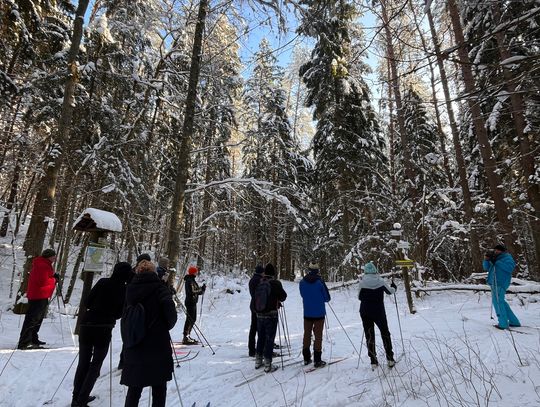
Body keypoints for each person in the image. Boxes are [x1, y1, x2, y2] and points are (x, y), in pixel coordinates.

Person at [71, 262, 132, 407]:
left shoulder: (103, 282)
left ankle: (76, 397)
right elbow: (119, 314)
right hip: (103, 329)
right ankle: (81, 399)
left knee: (83, 362)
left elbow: (88, 302)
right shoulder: (124, 289)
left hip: (87, 325)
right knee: (95, 365)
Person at [120, 259, 177, 407]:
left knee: (134, 389)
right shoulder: (161, 289)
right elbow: (171, 317)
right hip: (157, 346)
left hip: (135, 344)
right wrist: (162, 326)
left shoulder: (129, 289)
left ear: (137, 271)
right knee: (159, 389)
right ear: (154, 272)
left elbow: (124, 316)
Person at [17, 248, 58, 350]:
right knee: (32, 319)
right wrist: (54, 279)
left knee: (37, 319)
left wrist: (53, 276)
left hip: (40, 295)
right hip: (38, 296)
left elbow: (44, 278)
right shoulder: (42, 265)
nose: (55, 258)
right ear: (49, 257)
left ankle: (33, 338)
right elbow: (42, 281)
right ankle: (25, 342)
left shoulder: (44, 264)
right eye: (53, 256)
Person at [358, 261, 396, 369]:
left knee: (369, 335)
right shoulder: (381, 281)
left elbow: (359, 297)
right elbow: (390, 291)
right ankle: (390, 358)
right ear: (375, 271)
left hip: (365, 311)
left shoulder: (362, 283)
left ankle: (373, 361)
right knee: (385, 333)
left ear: (365, 272)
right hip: (379, 311)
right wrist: (394, 287)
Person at [255, 263, 287, 373]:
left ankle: (258, 360)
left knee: (261, 337)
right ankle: (268, 364)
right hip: (271, 315)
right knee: (269, 338)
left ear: (265, 273)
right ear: (273, 273)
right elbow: (283, 297)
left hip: (259, 315)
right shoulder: (276, 283)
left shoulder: (260, 282)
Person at [299, 263, 331, 368]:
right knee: (318, 336)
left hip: (307, 312)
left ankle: (306, 358)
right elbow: (327, 298)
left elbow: (302, 295)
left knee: (307, 334)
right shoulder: (319, 282)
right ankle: (317, 360)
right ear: (317, 270)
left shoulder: (302, 282)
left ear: (309, 270)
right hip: (319, 313)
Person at [483, 244, 520, 329]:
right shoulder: (495, 258)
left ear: (502, 251)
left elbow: (510, 268)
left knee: (498, 302)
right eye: (495, 250)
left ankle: (503, 324)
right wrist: (486, 259)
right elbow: (486, 268)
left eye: (498, 250)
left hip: (501, 283)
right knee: (501, 302)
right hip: (494, 283)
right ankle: (514, 321)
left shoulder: (507, 257)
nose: (496, 251)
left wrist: (497, 262)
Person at [182, 265, 206, 344]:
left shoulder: (192, 280)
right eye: (196, 272)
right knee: (190, 319)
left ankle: (187, 336)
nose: (197, 273)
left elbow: (195, 290)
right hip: (190, 302)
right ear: (193, 272)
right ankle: (186, 337)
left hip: (192, 302)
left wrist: (202, 289)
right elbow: (192, 291)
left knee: (192, 319)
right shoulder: (189, 281)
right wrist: (201, 290)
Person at [248, 265, 264, 357]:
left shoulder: (252, 280)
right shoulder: (260, 280)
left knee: (253, 328)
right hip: (260, 306)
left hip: (253, 305)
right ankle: (260, 349)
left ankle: (251, 349)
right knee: (261, 328)